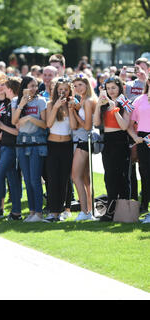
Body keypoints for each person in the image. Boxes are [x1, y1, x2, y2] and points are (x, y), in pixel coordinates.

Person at [93, 76, 131, 222]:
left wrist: (114, 108)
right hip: (108, 142)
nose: (111, 91)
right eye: (108, 88)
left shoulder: (124, 103)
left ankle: (125, 211)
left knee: (122, 176)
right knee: (109, 177)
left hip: (121, 141)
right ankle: (110, 211)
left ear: (119, 87)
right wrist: (98, 105)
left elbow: (124, 126)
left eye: (113, 88)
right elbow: (96, 123)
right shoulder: (103, 104)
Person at [11, 76, 48, 222]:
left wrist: (29, 119)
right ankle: (32, 212)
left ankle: (39, 212)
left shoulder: (41, 101)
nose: (34, 89)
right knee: (26, 179)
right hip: (22, 143)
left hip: (37, 143)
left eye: (36, 86)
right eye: (31, 85)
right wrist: (22, 104)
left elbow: (44, 124)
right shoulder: (16, 101)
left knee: (35, 179)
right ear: (24, 87)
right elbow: (14, 121)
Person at [0, 77, 22, 221]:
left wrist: (1, 126)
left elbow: (17, 131)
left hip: (11, 147)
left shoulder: (14, 104)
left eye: (6, 87)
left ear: (10, 89)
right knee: (13, 180)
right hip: (5, 147)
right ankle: (16, 212)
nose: (3, 89)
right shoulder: (11, 105)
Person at [44, 78, 75, 222]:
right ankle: (53, 211)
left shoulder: (71, 105)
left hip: (67, 145)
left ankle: (64, 209)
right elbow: (48, 124)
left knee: (64, 178)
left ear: (69, 91)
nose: (62, 92)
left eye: (65, 89)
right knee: (52, 178)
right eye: (60, 89)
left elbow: (74, 127)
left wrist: (70, 109)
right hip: (53, 144)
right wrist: (56, 107)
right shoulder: (50, 104)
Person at [70, 74, 97, 221]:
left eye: (80, 84)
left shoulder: (88, 101)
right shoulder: (83, 100)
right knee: (86, 178)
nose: (78, 88)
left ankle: (84, 211)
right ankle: (89, 211)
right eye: (75, 86)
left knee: (76, 176)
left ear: (87, 84)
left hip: (85, 140)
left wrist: (74, 111)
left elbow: (87, 126)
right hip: (84, 140)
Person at [128, 75, 150, 223]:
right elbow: (129, 123)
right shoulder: (139, 99)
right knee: (145, 174)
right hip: (143, 139)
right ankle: (145, 208)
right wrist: (135, 137)